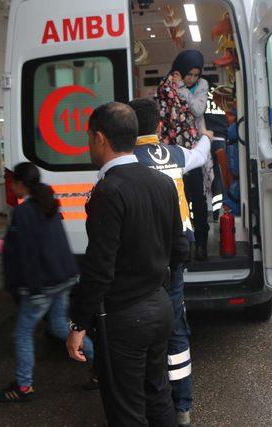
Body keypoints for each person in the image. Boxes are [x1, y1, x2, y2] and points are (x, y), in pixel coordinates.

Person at [67, 102, 189, 426]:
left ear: (100, 138)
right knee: (158, 395)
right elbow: (181, 248)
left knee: (126, 410)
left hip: (124, 316)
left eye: (89, 137)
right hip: (160, 306)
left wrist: (78, 324)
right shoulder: (163, 183)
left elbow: (99, 267)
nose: (89, 144)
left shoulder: (108, 191)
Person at [0, 162, 94, 402]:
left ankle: (24, 386)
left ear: (19, 184)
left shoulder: (24, 212)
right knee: (60, 325)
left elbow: (18, 251)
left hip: (44, 283)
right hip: (64, 276)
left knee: (23, 333)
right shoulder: (47, 202)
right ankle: (102, 366)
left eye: (13, 183)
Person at [129, 98, 212, 426]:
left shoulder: (125, 160)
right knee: (176, 326)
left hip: (141, 255)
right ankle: (182, 406)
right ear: (159, 126)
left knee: (137, 324)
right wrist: (205, 135)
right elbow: (201, 155)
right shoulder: (174, 154)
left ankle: (145, 401)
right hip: (176, 252)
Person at [169, 50, 211, 260]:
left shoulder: (201, 85)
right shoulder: (168, 85)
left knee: (198, 198)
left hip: (195, 149)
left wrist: (183, 88)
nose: (193, 78)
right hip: (175, 150)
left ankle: (201, 244)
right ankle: (184, 245)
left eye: (196, 74)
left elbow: (197, 110)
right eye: (189, 74)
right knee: (179, 199)